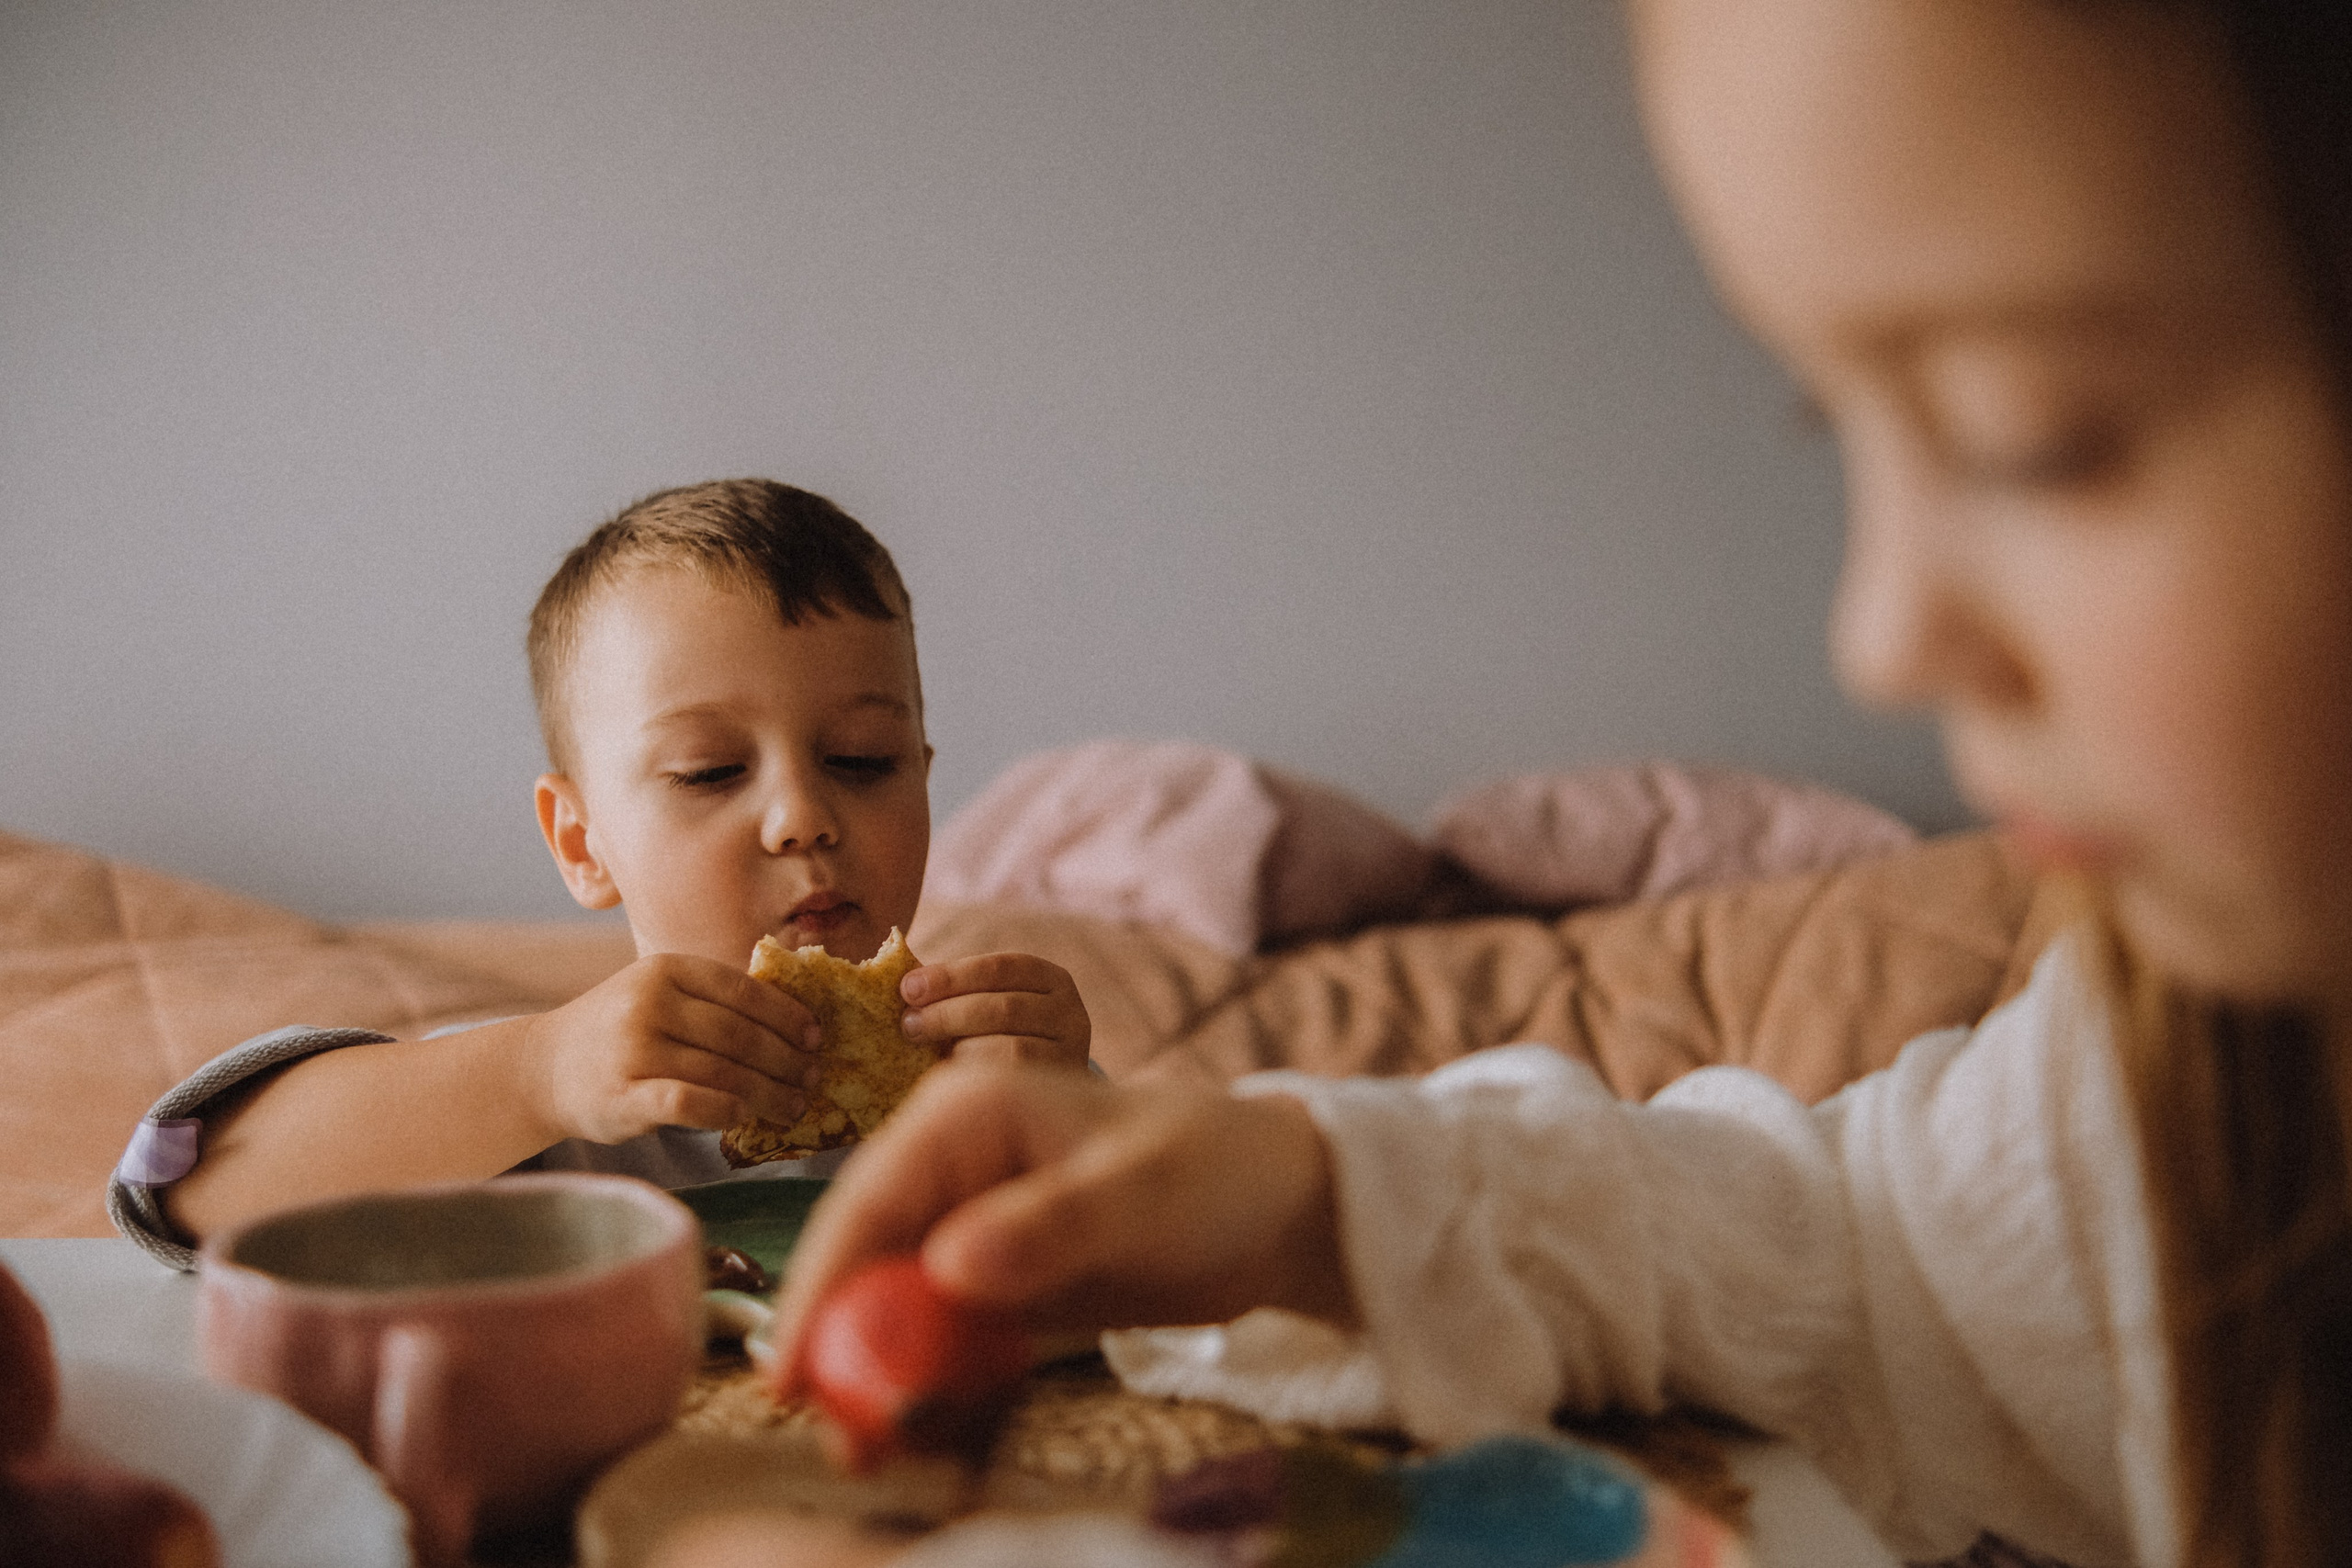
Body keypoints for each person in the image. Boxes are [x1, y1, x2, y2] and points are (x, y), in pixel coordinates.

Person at [757, 3, 2352, 1564]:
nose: (1879, 633)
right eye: (1841, 424)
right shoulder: (2180, 1107)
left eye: (2031, 433)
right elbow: (1870, 1256)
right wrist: (1315, 1196)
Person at [109, 479, 1094, 1268]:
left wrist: (1076, 1122)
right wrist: (537, 1074)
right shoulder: (541, 1117)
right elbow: (186, 1188)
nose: (802, 817)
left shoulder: (992, 1078)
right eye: (711, 772)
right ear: (582, 842)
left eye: (862, 761)